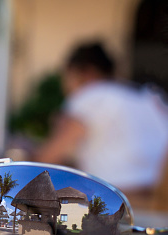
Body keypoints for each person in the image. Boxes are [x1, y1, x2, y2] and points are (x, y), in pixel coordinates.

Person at [36, 42, 168, 202]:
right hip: (158, 202)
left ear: (85, 72)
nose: (65, 87)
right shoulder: (148, 99)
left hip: (116, 203)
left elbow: (49, 159)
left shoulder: (90, 94)